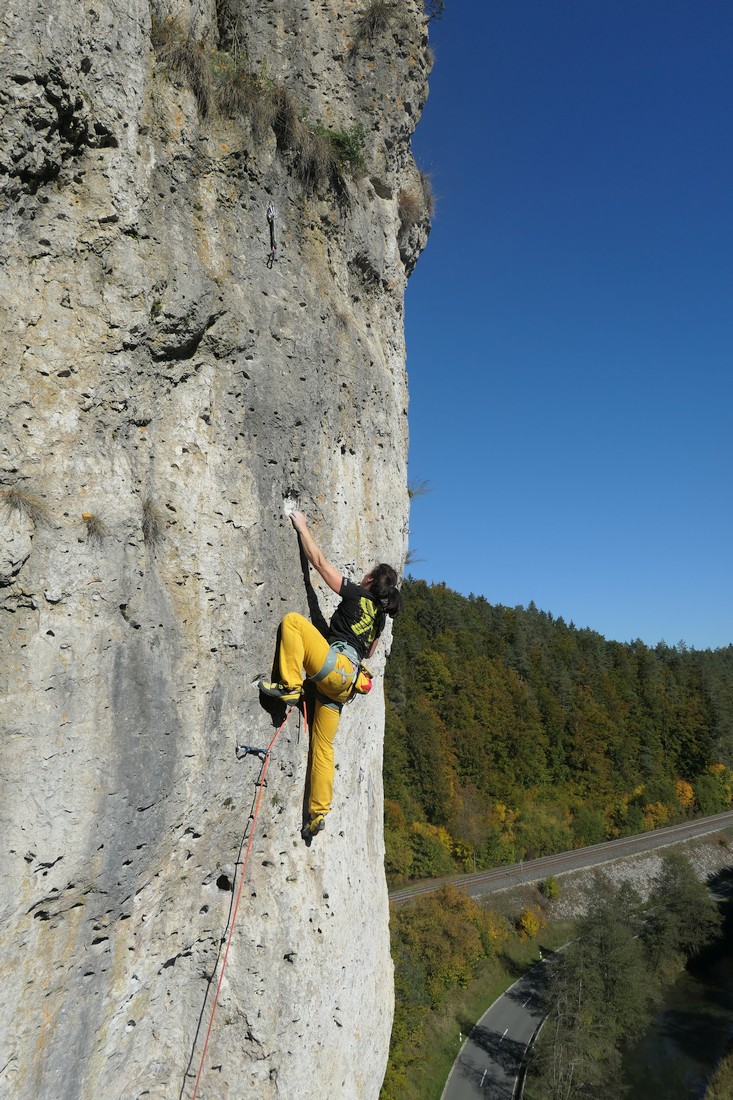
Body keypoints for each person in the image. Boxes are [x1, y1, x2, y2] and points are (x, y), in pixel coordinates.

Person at [258, 510, 401, 839]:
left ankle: (290, 686)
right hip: (344, 687)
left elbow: (320, 563)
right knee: (323, 748)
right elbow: (368, 652)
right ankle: (317, 813)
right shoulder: (379, 620)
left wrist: (302, 526)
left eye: (366, 575)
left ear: (368, 581)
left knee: (293, 622)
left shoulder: (356, 595)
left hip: (334, 668)